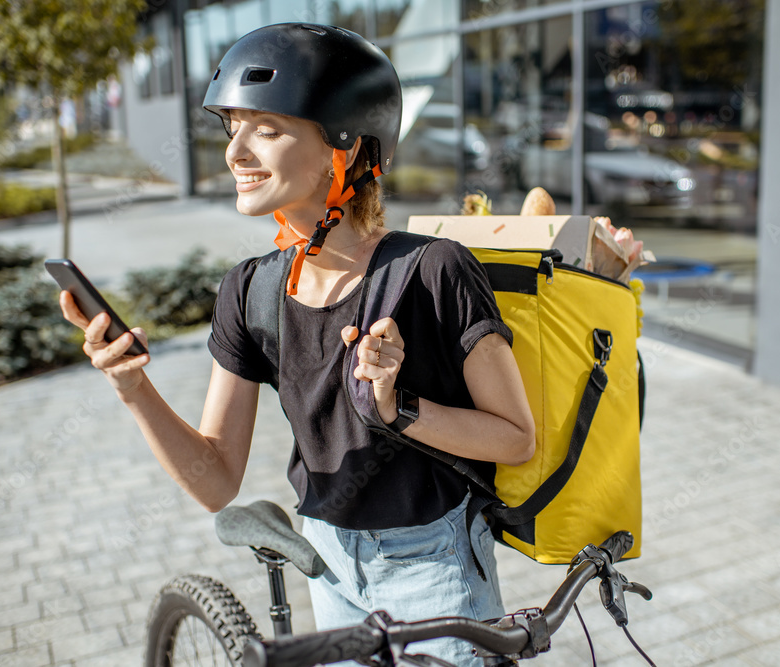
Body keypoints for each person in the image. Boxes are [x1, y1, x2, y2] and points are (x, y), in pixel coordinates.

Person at [58, 23, 535, 666]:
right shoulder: (250, 291)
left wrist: (399, 408)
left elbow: (515, 437)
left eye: (269, 129)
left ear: (345, 147)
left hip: (435, 567)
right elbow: (216, 481)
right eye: (234, 127)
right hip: (328, 567)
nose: (236, 153)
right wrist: (134, 388)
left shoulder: (434, 270)